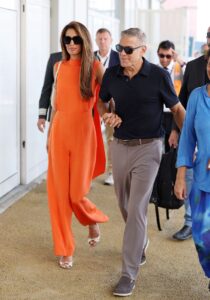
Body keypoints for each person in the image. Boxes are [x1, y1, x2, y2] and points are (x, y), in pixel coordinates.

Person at [98, 27, 185, 297]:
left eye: (128, 50)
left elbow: (177, 109)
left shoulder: (158, 76)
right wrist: (107, 116)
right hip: (120, 147)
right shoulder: (112, 74)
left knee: (136, 208)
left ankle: (128, 273)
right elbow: (101, 103)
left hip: (149, 148)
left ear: (142, 51)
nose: (122, 54)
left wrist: (189, 141)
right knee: (125, 205)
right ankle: (141, 240)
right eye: (119, 49)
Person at [47, 21, 109, 269]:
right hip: (59, 132)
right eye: (67, 39)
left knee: (75, 193)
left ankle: (92, 220)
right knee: (58, 195)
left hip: (84, 133)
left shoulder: (95, 67)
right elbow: (55, 104)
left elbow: (108, 97)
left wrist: (111, 115)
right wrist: (49, 133)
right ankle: (65, 248)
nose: (71, 44)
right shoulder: (58, 66)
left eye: (76, 39)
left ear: (85, 41)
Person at [175, 49, 210, 290]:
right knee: (201, 239)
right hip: (201, 179)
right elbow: (187, 138)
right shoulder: (197, 96)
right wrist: (180, 175)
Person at [172, 26, 210, 241]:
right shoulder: (195, 71)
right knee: (203, 238)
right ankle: (189, 220)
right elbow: (182, 101)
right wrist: (175, 129)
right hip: (201, 166)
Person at [95, 28, 120, 186]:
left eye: (105, 38)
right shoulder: (90, 58)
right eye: (100, 39)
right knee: (91, 139)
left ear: (111, 40)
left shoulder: (119, 58)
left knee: (111, 139)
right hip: (93, 104)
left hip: (112, 104)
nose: (102, 41)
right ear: (96, 40)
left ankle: (111, 171)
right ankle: (90, 171)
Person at [157, 40, 185, 152]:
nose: (164, 59)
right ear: (157, 53)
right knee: (157, 146)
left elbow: (191, 74)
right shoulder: (154, 69)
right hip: (158, 113)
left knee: (171, 147)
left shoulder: (180, 68)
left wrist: (179, 60)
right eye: (161, 55)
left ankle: (168, 169)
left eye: (168, 56)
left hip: (174, 113)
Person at [37, 51, 62, 132]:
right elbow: (46, 88)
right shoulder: (54, 58)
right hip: (56, 114)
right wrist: (42, 115)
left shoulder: (86, 58)